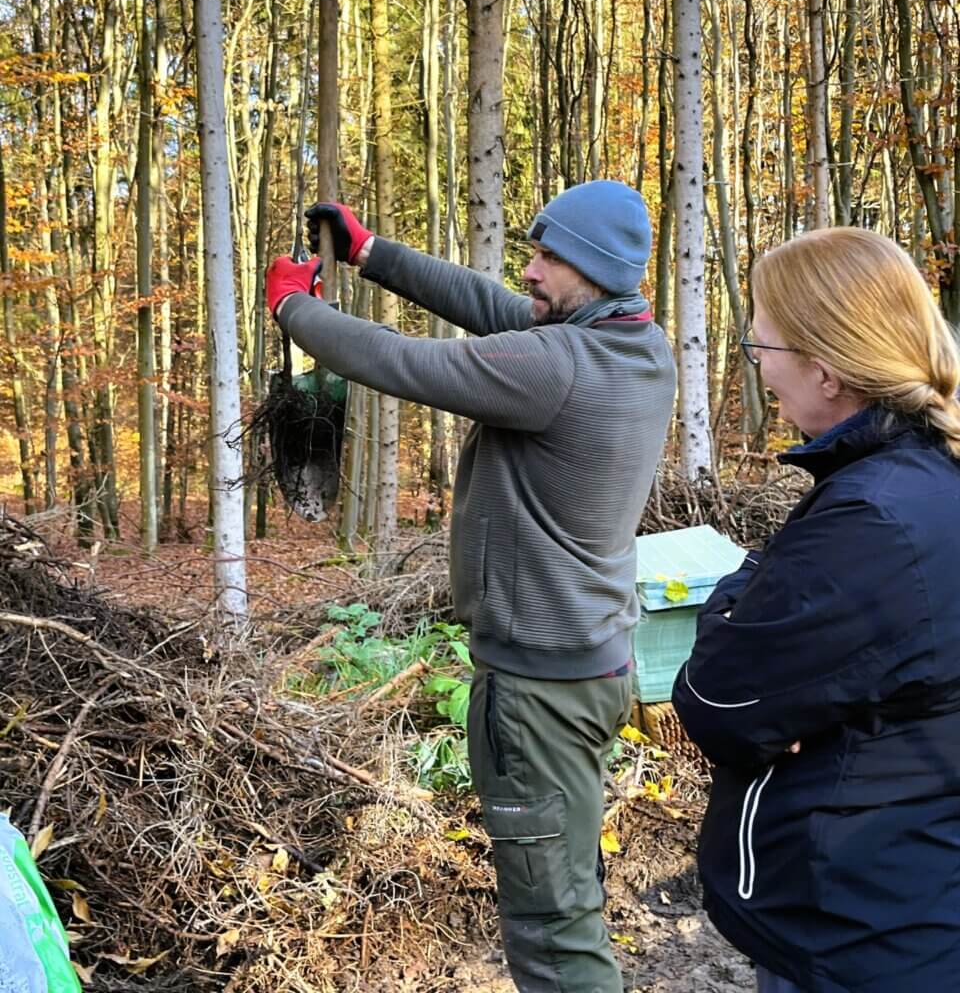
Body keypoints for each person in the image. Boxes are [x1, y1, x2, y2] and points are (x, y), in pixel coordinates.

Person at [266, 180, 676, 993]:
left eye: (548, 257)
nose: (529, 269)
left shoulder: (558, 365)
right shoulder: (631, 343)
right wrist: (372, 252)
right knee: (567, 893)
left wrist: (293, 312)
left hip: (537, 695)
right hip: (587, 671)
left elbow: (407, 362)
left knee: (552, 935)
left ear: (590, 269)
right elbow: (487, 304)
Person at [672, 227, 960, 993]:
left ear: (826, 371)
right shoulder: (924, 478)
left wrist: (742, 585)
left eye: (762, 350)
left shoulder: (874, 523)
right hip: (910, 893)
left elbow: (715, 701)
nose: (759, 371)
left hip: (862, 932)